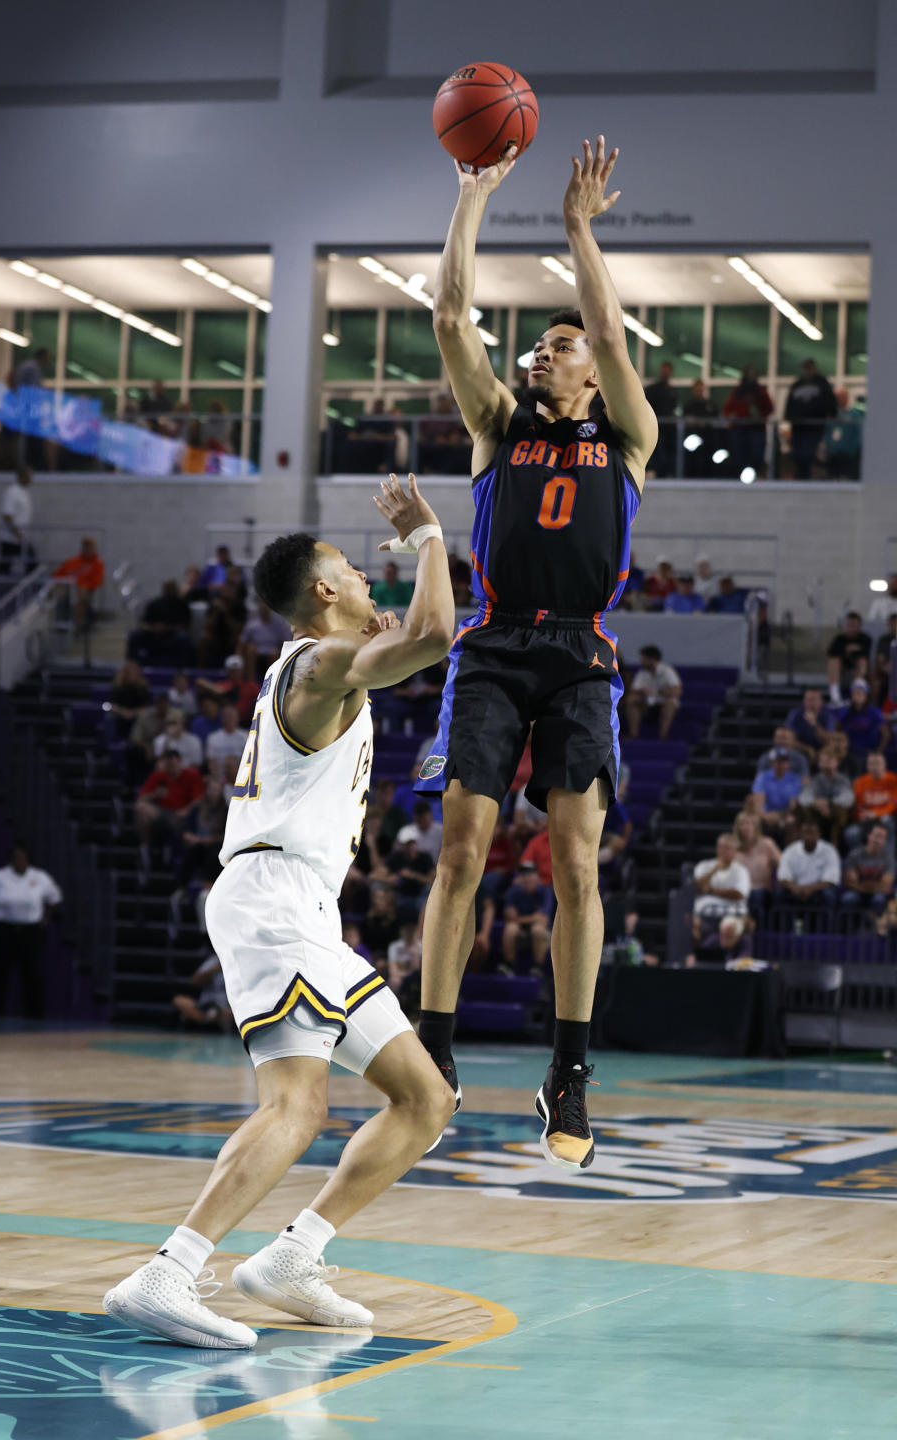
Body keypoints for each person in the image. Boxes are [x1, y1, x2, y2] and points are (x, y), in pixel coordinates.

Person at [103, 472, 456, 1348]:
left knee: (426, 1098)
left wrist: (382, 636)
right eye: (355, 573)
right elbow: (438, 634)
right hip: (273, 900)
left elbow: (398, 647)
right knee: (296, 1105)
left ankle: (295, 1256)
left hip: (307, 908)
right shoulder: (321, 663)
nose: (372, 583)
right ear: (325, 591)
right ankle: (169, 1271)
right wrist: (430, 537)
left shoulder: (325, 667)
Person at [412, 135, 657, 1171]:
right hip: (495, 645)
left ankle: (569, 1069)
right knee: (462, 848)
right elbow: (449, 316)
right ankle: (434, 1046)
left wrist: (577, 229)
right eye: (541, 347)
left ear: (595, 369)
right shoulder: (496, 428)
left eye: (560, 346)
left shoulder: (629, 434)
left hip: (582, 654)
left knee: (573, 863)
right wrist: (469, 198)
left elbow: (603, 320)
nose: (544, 352)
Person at [0, 843, 61, 1018]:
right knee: (0, 972)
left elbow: (54, 898)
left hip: (31, 931)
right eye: (16, 857)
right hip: (4, 929)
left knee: (32, 972)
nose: (20, 861)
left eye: (23, 857)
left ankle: (34, 1014)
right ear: (11, 860)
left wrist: (44, 918)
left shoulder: (40, 877)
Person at [135, 750, 206, 865]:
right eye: (168, 765)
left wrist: (187, 809)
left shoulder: (191, 775)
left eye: (173, 764)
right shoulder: (159, 776)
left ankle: (167, 850)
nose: (171, 768)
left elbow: (200, 799)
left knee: (177, 822)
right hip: (161, 812)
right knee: (141, 808)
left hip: (181, 814)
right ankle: (145, 849)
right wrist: (155, 794)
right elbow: (140, 800)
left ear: (180, 762)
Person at [691, 833, 751, 943]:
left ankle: (726, 958)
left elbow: (739, 894)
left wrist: (711, 891)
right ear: (717, 848)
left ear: (735, 852)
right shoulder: (704, 866)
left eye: (728, 848)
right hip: (703, 913)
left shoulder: (741, 871)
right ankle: (694, 957)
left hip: (731, 912)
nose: (724, 851)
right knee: (690, 924)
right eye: (722, 847)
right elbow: (696, 888)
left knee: (729, 927)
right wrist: (713, 870)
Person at [784, 359, 837, 480]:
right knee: (798, 455)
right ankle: (801, 476)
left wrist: (830, 414)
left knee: (810, 454)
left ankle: (808, 476)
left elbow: (830, 402)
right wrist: (789, 416)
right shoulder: (797, 385)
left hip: (814, 426)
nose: (807, 371)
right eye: (805, 368)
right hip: (799, 427)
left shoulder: (822, 384)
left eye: (809, 368)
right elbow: (790, 404)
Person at [776, 818, 841, 912]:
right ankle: (784, 926)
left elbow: (831, 881)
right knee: (779, 894)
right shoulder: (790, 851)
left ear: (819, 834)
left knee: (829, 894)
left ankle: (827, 926)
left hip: (818, 891)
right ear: (800, 834)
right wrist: (795, 888)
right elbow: (782, 878)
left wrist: (809, 889)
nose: (809, 835)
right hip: (796, 890)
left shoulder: (829, 851)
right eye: (806, 832)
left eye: (812, 832)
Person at [501, 861, 553, 976]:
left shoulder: (545, 891)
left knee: (538, 929)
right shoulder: (514, 891)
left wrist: (519, 919)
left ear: (537, 877)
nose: (527, 877)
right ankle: (509, 966)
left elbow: (542, 918)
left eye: (530, 874)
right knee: (510, 929)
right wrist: (530, 918)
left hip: (540, 932)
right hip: (520, 931)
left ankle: (538, 967)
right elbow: (508, 916)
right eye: (523, 874)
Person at [799, 746, 854, 848]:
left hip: (837, 818)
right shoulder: (815, 780)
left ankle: (834, 847)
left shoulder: (843, 780)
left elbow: (848, 799)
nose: (825, 764)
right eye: (822, 761)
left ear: (836, 762)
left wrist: (828, 803)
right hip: (818, 814)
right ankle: (812, 845)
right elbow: (803, 798)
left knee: (840, 810)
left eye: (829, 761)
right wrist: (815, 802)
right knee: (806, 809)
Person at [722, 367, 773, 476]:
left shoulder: (761, 392)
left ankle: (754, 474)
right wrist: (732, 415)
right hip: (740, 427)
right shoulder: (737, 392)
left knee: (756, 454)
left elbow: (769, 408)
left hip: (756, 428)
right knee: (739, 455)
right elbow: (727, 409)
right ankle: (740, 475)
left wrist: (760, 416)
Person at [625, 645, 682, 740]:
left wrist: (658, 692)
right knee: (632, 700)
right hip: (647, 706)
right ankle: (633, 734)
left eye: (643, 659)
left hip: (663, 704)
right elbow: (634, 691)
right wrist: (642, 692)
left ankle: (664, 735)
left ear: (652, 659)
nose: (641, 661)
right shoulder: (642, 674)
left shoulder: (667, 671)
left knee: (670, 703)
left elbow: (677, 691)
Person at [841, 823, 895, 917]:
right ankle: (847, 930)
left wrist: (860, 883)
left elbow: (887, 885)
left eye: (881, 837)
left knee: (879, 899)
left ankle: (878, 930)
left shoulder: (889, 859)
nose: (877, 840)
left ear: (885, 841)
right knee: (849, 898)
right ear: (868, 836)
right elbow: (850, 882)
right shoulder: (855, 855)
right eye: (875, 835)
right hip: (857, 893)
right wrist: (877, 885)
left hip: (877, 894)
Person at [52, 537, 105, 630]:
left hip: (86, 591)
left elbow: (98, 581)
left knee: (81, 595)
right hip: (69, 589)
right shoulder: (72, 562)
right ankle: (59, 618)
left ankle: (77, 625)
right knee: (60, 588)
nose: (88, 550)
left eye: (90, 547)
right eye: (86, 547)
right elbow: (58, 575)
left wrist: (83, 585)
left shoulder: (97, 564)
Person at [751, 748, 802, 840]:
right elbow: (758, 805)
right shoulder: (763, 777)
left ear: (788, 763)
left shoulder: (795, 779)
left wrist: (781, 816)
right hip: (766, 816)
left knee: (792, 821)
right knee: (755, 820)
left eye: (784, 762)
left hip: (785, 815)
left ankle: (789, 853)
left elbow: (793, 806)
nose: (781, 765)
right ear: (772, 763)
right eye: (778, 761)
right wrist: (765, 816)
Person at [172, 954, 232, 1030]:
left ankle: (209, 1021)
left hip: (226, 1007)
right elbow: (195, 981)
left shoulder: (239, 962)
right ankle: (205, 1020)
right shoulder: (214, 960)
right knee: (179, 1000)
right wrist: (215, 969)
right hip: (204, 1006)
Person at [836, 678, 888, 764]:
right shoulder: (845, 712)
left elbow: (886, 734)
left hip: (869, 751)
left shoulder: (874, 712)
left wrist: (879, 751)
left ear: (866, 695)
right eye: (855, 693)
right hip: (850, 752)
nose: (857, 696)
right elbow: (837, 728)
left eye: (860, 693)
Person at [239, 600, 291, 682]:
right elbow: (242, 642)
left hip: (273, 651)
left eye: (266, 608)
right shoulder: (252, 623)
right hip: (256, 651)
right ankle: (251, 682)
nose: (264, 610)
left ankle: (273, 681)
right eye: (262, 608)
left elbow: (288, 641)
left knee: (275, 653)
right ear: (259, 609)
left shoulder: (280, 623)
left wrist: (280, 649)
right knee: (250, 649)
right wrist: (239, 656)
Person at [826, 612, 873, 703]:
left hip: (859, 671)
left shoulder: (865, 638)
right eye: (849, 625)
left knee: (862, 661)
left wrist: (846, 651)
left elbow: (865, 653)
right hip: (841, 672)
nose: (851, 628)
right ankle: (835, 695)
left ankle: (856, 693)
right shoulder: (839, 639)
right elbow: (831, 653)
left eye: (854, 625)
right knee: (833, 661)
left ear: (859, 626)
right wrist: (848, 650)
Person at [0, 466, 34, 575]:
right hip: (11, 538)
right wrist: (17, 534)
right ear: (21, 476)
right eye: (29, 476)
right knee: (5, 568)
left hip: (20, 538)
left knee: (29, 563)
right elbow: (7, 515)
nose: (31, 479)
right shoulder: (12, 492)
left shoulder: (24, 492)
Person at [643, 360, 677, 478]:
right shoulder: (653, 389)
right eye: (663, 370)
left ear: (671, 372)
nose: (665, 373)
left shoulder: (672, 391)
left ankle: (666, 472)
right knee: (657, 451)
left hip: (668, 428)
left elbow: (672, 408)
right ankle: (654, 471)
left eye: (667, 370)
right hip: (655, 426)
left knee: (667, 452)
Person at [785, 688, 835, 763]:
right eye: (809, 699)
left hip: (822, 750)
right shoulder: (795, 713)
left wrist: (815, 725)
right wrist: (807, 749)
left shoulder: (828, 715)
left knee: (831, 748)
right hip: (801, 749)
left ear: (821, 702)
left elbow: (828, 739)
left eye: (814, 699)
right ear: (804, 701)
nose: (812, 703)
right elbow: (789, 738)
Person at [822, 387, 862, 479]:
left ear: (847, 398)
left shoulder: (854, 414)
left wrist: (854, 450)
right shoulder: (831, 414)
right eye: (838, 397)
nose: (840, 399)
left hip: (848, 455)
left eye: (842, 397)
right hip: (832, 454)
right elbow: (826, 432)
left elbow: (858, 434)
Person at [204, 704, 248, 774]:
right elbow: (211, 763)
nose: (229, 719)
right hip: (220, 776)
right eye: (226, 716)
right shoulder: (213, 738)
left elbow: (250, 761)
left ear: (237, 718)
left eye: (232, 716)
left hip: (241, 775)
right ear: (222, 718)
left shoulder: (246, 737)